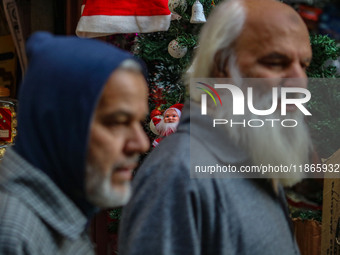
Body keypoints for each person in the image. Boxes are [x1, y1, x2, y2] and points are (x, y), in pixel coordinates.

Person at [118, 0, 313, 254]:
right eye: (276, 62)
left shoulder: (254, 156)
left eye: (305, 65)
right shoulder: (177, 174)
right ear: (221, 66)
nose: (299, 83)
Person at [0, 32, 150, 254]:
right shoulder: (13, 234)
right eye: (118, 122)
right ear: (61, 122)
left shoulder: (60, 210)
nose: (141, 143)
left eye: (139, 122)